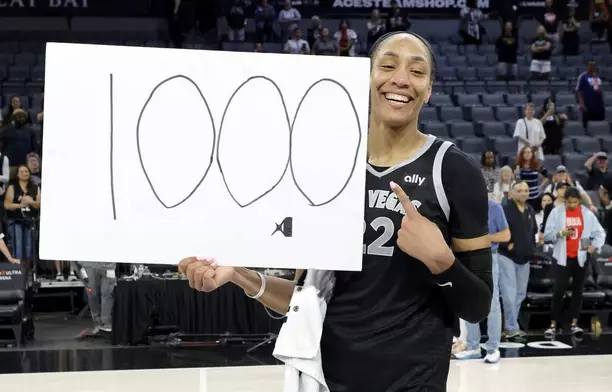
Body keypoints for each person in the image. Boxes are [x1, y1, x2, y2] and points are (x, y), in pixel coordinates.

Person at [179, 31, 493, 392]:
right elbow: (302, 300)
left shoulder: (453, 171)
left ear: (429, 89)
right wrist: (238, 275)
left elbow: (478, 306)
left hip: (415, 383)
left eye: (417, 72)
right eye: (387, 66)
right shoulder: (328, 172)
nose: (401, 79)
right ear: (367, 76)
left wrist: (441, 261)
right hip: (330, 380)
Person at [543, 186, 605, 339]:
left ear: (579, 201)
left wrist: (594, 246)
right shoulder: (556, 213)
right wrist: (561, 233)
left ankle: (574, 323)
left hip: (581, 258)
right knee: (558, 292)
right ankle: (553, 324)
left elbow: (600, 233)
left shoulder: (587, 214)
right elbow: (547, 236)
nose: (572, 205)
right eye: (569, 202)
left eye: (574, 202)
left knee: (578, 291)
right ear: (565, 201)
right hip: (563, 258)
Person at [455, 198, 510, 363]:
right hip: (465, 257)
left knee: (492, 302)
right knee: (468, 301)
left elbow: (506, 235)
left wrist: (485, 239)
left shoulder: (494, 207)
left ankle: (493, 348)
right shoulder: (460, 206)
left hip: (488, 256)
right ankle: (473, 347)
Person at [499, 180, 538, 339]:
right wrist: (506, 244)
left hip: (525, 257)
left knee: (520, 293)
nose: (523, 193)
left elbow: (534, 231)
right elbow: (495, 228)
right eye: (520, 190)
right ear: (512, 192)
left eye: (526, 191)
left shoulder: (530, 209)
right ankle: (511, 327)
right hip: (506, 256)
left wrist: (532, 247)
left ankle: (511, 325)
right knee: (509, 293)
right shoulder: (504, 209)